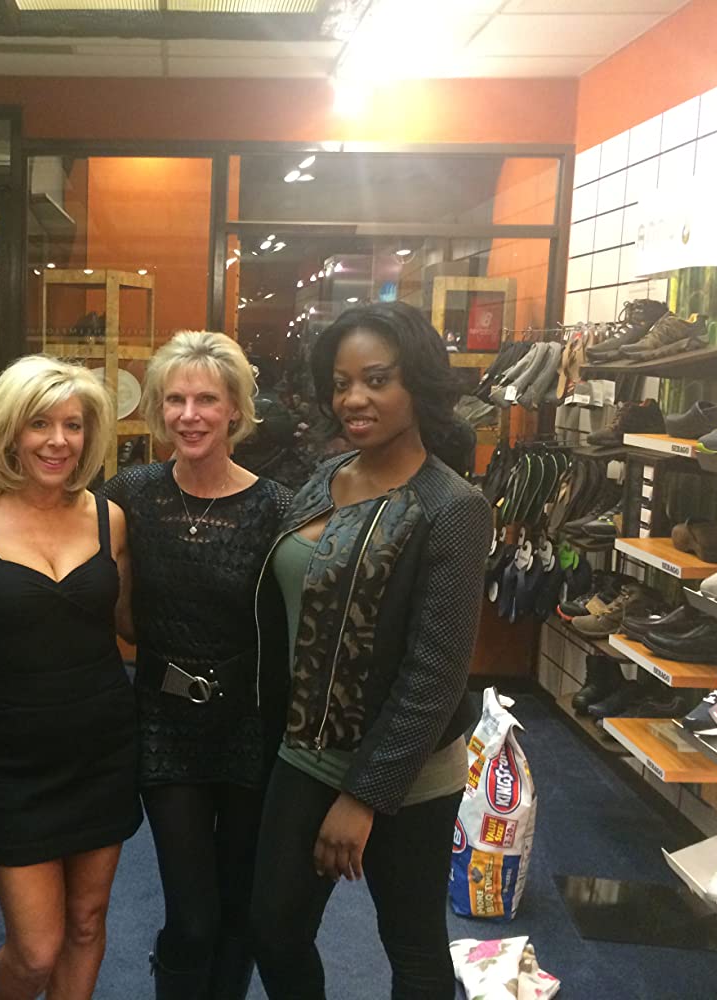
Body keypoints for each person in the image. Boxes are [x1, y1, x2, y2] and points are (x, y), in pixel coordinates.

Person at [249, 302, 491, 1000]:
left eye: (376, 380)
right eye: (341, 383)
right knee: (273, 929)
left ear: (417, 383)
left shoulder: (451, 506)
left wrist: (363, 797)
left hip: (407, 770)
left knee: (412, 948)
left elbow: (435, 672)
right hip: (304, 749)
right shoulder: (323, 478)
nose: (353, 398)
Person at [101, 331, 291, 1000]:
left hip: (248, 725)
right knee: (192, 915)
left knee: (240, 908)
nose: (189, 415)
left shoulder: (277, 507)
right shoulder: (130, 493)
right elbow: (61, 537)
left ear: (235, 408)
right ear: (157, 408)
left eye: (207, 399)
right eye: (174, 400)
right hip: (163, 724)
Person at [0, 354, 142, 1000]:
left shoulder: (109, 518)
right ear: (10, 430)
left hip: (103, 747)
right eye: (39, 424)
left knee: (86, 923)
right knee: (33, 951)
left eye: (73, 425)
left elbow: (132, 622)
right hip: (11, 759)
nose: (58, 441)